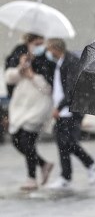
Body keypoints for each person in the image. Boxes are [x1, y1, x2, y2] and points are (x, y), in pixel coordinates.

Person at [45, 39, 95, 189]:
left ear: (56, 48)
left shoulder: (71, 62)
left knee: (69, 142)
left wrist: (59, 106)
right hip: (63, 111)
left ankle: (91, 163)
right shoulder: (61, 62)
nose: (48, 53)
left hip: (71, 110)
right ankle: (66, 177)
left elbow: (71, 89)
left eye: (49, 49)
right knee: (62, 142)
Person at [5, 39, 56, 190]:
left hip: (38, 109)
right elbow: (9, 78)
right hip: (21, 108)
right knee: (16, 140)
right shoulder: (21, 57)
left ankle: (31, 178)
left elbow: (48, 88)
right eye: (35, 43)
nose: (37, 47)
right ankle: (43, 164)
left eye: (41, 43)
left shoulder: (47, 62)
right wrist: (21, 68)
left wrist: (32, 75)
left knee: (27, 141)